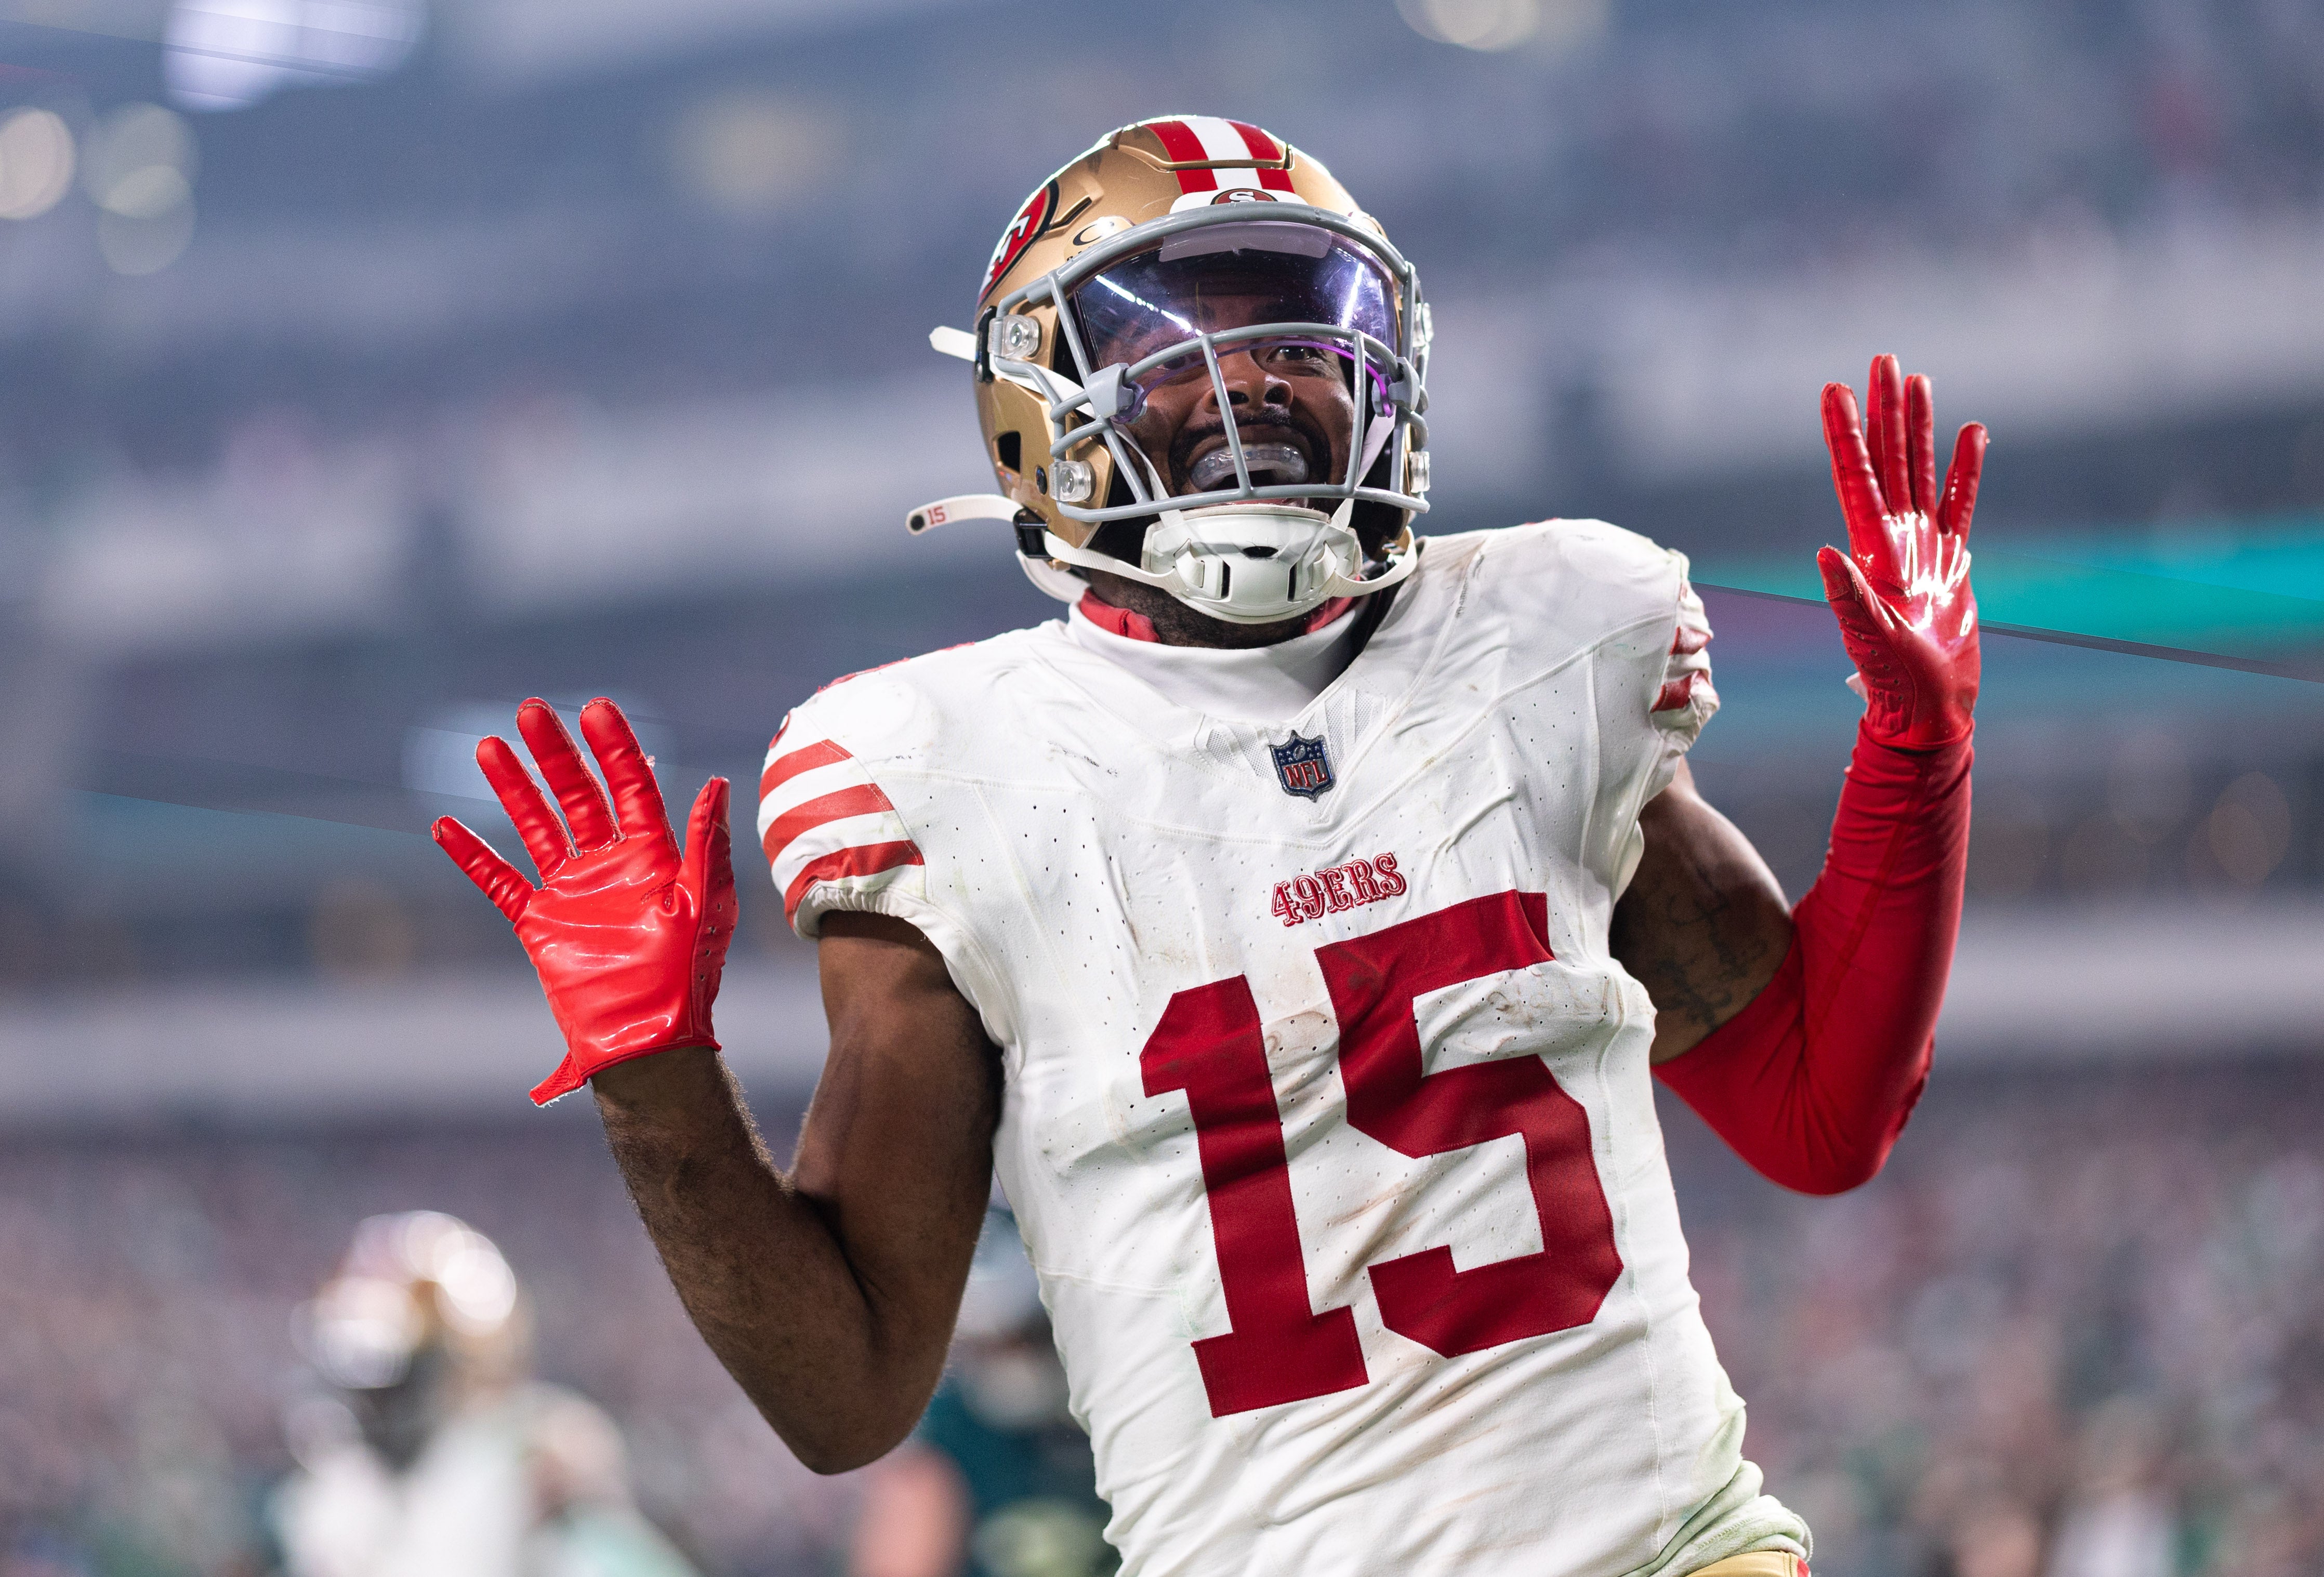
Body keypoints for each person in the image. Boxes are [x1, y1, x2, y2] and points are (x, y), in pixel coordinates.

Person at [433, 118, 1983, 1577]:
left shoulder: (1538, 643)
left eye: (1290, 334)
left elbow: (1812, 1117)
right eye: (1165, 344)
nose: (1242, 381)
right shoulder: (938, 770)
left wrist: (1917, 763)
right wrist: (653, 1078)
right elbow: (845, 1403)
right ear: (1041, 402)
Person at [272, 1211, 696, 1577]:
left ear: (463, 1367)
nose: (373, 1400)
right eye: (357, 1376)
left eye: (399, 1375)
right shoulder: (330, 1494)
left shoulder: (529, 1455)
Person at [850, 1208, 1115, 1577]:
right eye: (998, 1345)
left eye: (1029, 1339)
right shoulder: (941, 1436)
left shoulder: (1105, 1399)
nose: (1017, 1363)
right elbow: (900, 1565)